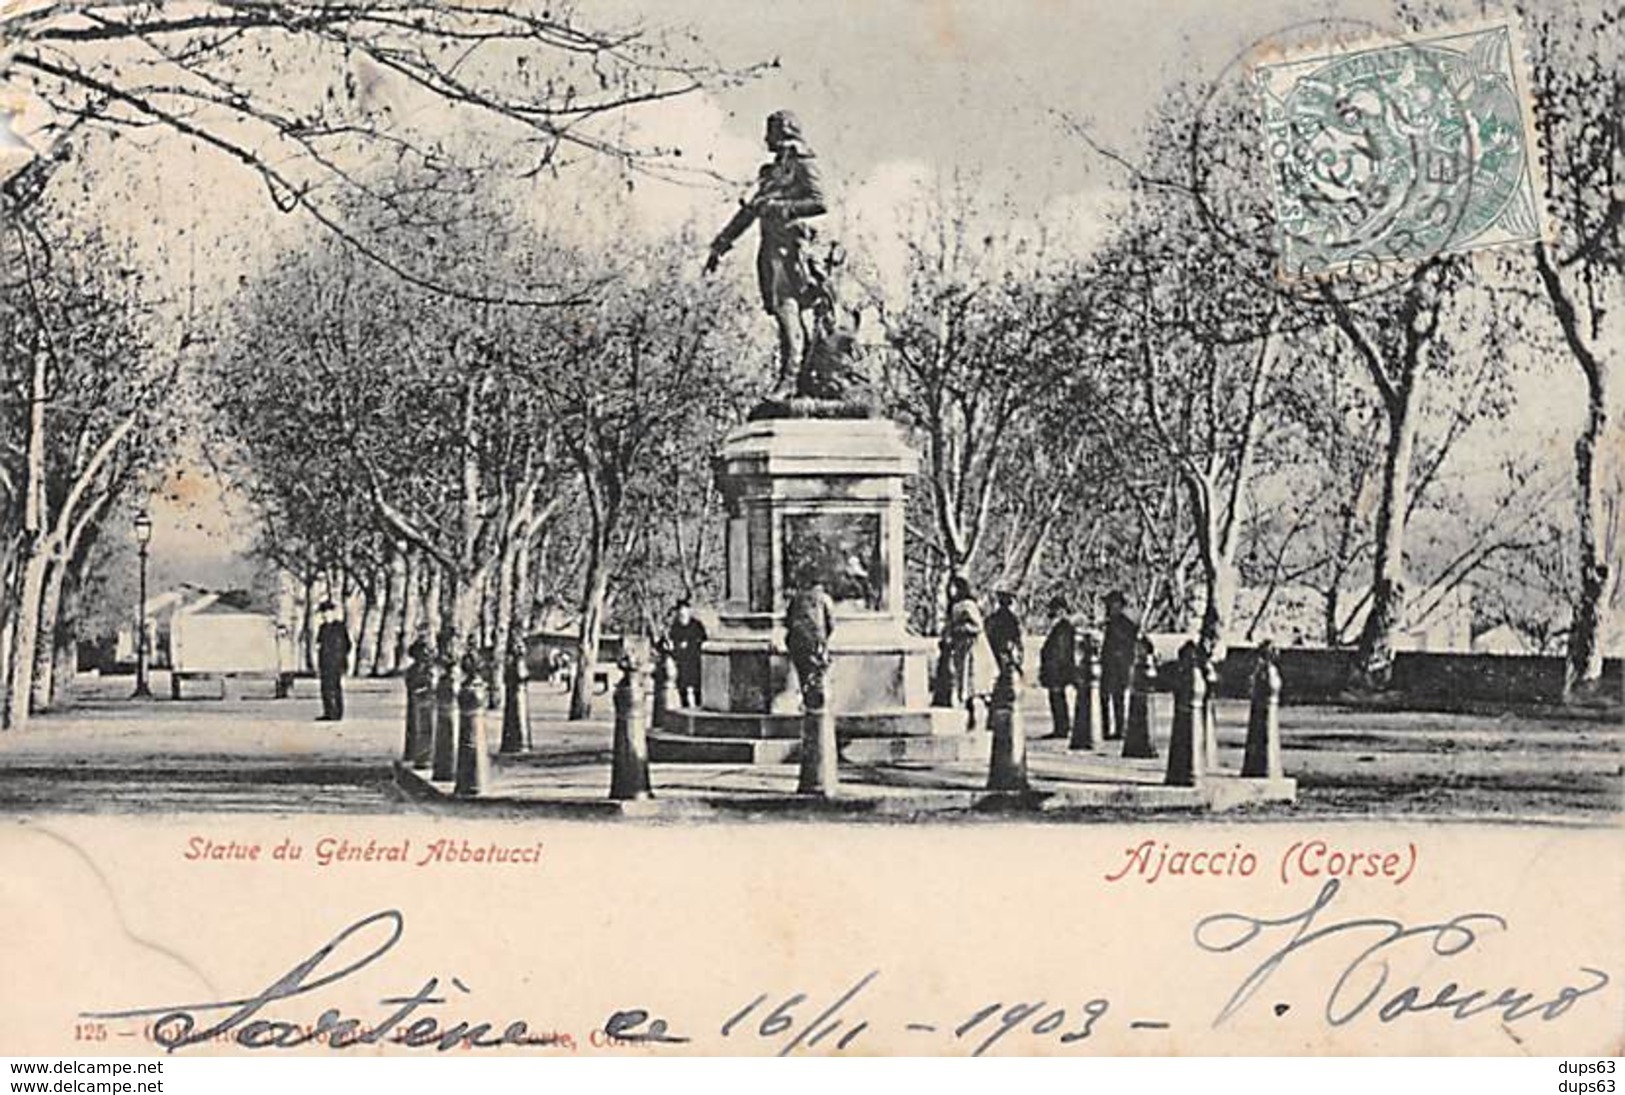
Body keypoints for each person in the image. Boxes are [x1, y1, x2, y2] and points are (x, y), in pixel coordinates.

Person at [705, 110, 829, 391]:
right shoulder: (770, 172)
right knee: (783, 313)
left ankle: (790, 379)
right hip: (770, 248)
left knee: (788, 311)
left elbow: (819, 202)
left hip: (793, 249)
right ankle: (803, 378)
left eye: (770, 131)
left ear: (785, 130)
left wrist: (780, 208)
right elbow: (749, 212)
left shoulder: (802, 162)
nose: (766, 138)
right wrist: (720, 245)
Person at [785, 578, 837, 709]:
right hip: (816, 642)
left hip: (798, 643)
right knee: (817, 673)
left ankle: (807, 700)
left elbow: (788, 622)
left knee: (804, 673)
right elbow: (831, 624)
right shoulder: (824, 599)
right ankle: (816, 703)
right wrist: (823, 640)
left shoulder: (797, 598)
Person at [1099, 590, 1140, 741]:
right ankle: (1113, 728)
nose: (1107, 608)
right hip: (1116, 666)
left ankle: (1112, 728)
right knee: (1115, 698)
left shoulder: (1119, 624)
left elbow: (1120, 646)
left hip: (1116, 667)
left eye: (1109, 604)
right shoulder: (1121, 623)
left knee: (1113, 698)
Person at [1038, 596, 1077, 740]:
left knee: (1057, 699)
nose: (1051, 611)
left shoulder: (1063, 628)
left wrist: (1055, 670)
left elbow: (1060, 651)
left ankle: (1061, 728)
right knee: (1056, 699)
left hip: (1058, 669)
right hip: (1056, 668)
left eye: (1053, 608)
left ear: (1061, 610)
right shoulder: (1061, 627)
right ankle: (1061, 727)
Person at [314, 601, 352, 722]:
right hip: (324, 663)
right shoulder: (322, 628)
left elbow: (347, 645)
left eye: (327, 613)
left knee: (335, 687)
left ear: (332, 613)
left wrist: (340, 657)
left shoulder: (340, 627)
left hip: (336, 662)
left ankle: (337, 712)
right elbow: (318, 644)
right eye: (323, 614)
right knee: (325, 688)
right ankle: (328, 711)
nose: (325, 616)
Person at [667, 599, 708, 708]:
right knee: (682, 686)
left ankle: (699, 706)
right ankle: (685, 707)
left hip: (694, 659)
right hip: (682, 660)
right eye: (680, 611)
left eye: (684, 610)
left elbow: (703, 640)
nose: (682, 613)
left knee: (697, 685)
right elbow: (671, 640)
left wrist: (690, 644)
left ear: (689, 611)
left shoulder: (696, 625)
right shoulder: (675, 626)